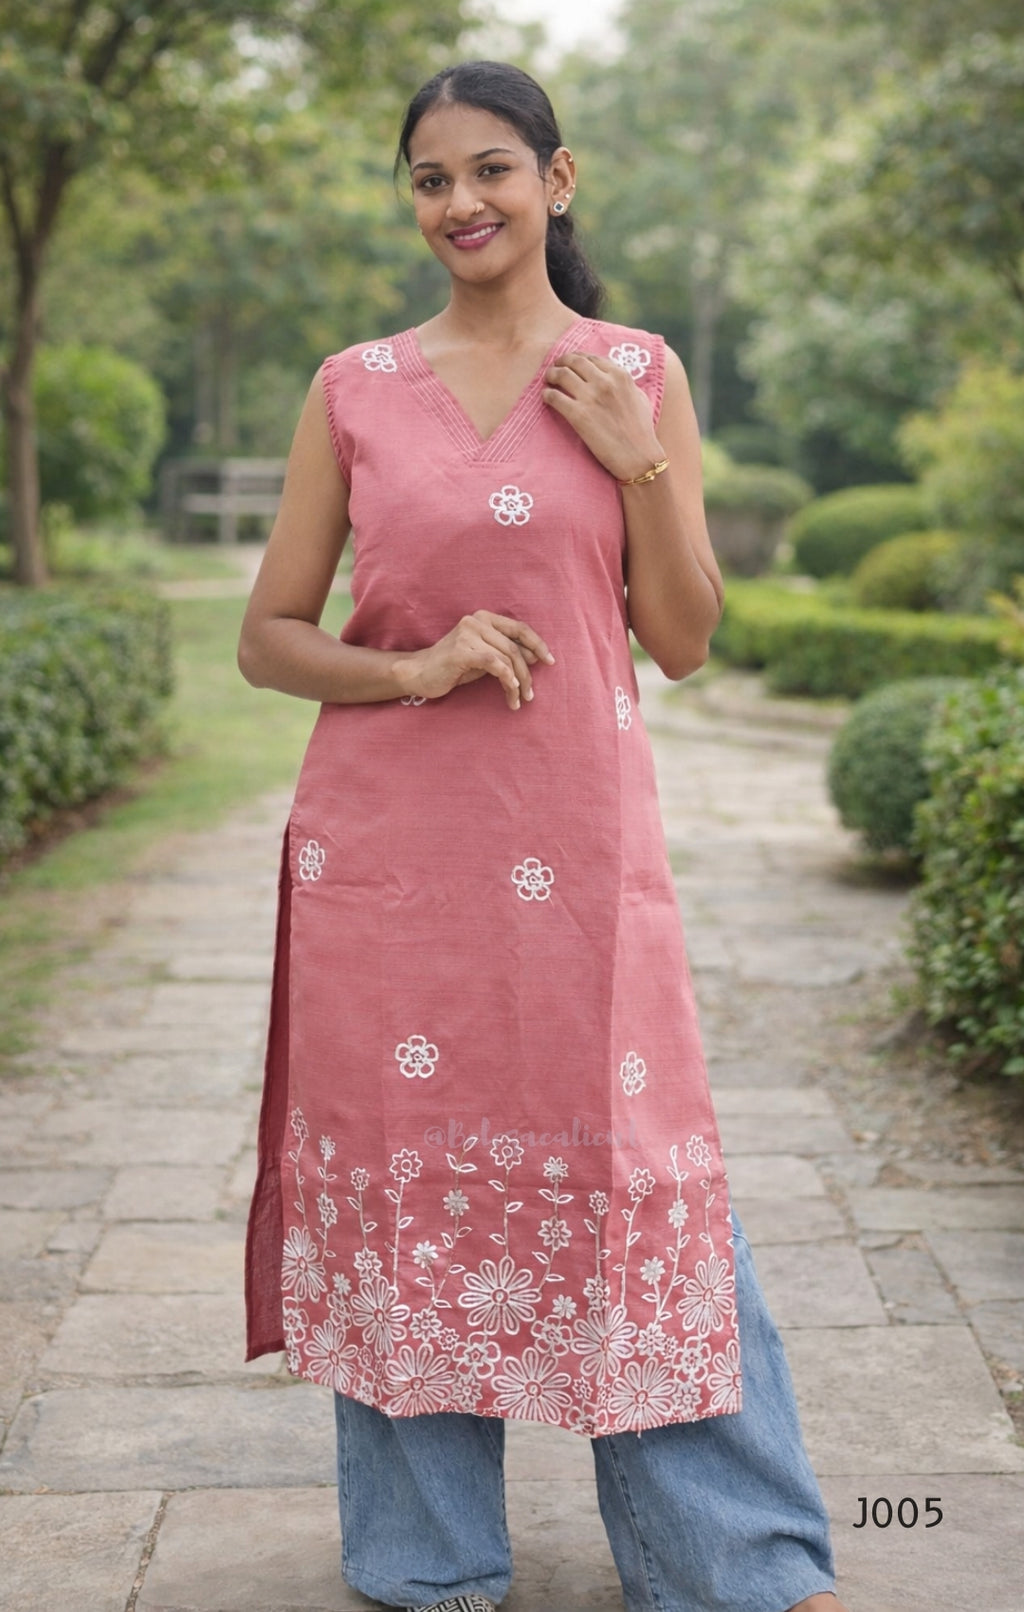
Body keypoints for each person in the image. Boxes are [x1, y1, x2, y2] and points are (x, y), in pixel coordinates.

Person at [239, 58, 850, 1612]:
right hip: (387, 857)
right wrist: (416, 665)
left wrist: (638, 460)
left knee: (637, 1170)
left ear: (558, 181)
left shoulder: (635, 369)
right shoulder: (354, 386)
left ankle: (736, 1565)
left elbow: (687, 635)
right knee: (399, 1173)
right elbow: (269, 637)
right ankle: (427, 1562)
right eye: (432, 179)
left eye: (492, 170)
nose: (462, 204)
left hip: (577, 851)